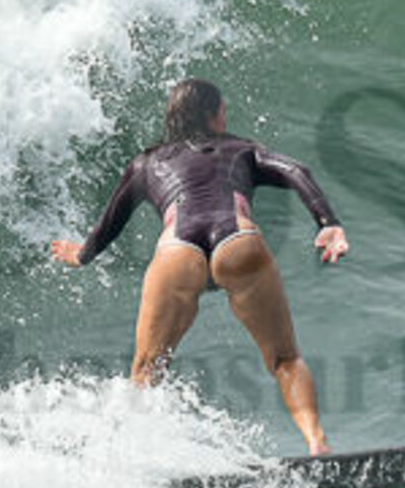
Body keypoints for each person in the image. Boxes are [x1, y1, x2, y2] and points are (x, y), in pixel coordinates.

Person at [50, 79, 351, 455]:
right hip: (238, 241)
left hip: (176, 250)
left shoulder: (147, 162)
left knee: (146, 371)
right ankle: (317, 443)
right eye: (222, 110)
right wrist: (328, 223)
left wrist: (83, 255)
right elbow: (297, 170)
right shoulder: (242, 149)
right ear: (212, 115)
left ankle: (130, 457)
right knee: (285, 359)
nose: (225, 116)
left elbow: (112, 219)